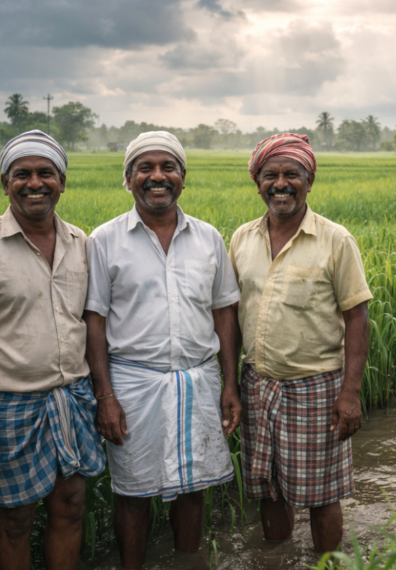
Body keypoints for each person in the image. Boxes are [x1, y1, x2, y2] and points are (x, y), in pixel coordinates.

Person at [0, 130, 105, 570]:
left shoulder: (81, 243)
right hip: (8, 406)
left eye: (46, 173)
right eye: (22, 174)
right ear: (5, 183)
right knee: (14, 521)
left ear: (62, 182)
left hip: (72, 398)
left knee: (70, 507)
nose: (35, 183)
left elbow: (91, 323)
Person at [84, 131, 242, 570]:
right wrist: (105, 396)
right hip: (132, 383)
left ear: (182, 178)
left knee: (193, 486)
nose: (158, 176)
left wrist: (230, 384)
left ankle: (187, 563)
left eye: (168, 167)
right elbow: (94, 321)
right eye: (145, 168)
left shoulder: (208, 238)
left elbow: (223, 312)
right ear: (128, 179)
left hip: (198, 379)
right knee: (133, 491)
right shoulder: (104, 240)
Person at [228, 133, 372, 553]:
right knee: (268, 489)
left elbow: (357, 317)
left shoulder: (335, 240)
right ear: (257, 182)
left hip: (316, 388)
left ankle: (327, 563)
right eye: (270, 175)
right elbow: (232, 317)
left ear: (309, 181)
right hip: (258, 385)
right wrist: (231, 384)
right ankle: (278, 558)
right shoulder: (242, 239)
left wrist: (350, 394)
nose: (281, 184)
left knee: (322, 496)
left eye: (291, 174)